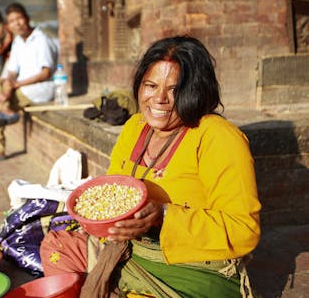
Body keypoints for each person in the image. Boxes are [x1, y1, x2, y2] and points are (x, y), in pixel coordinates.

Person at [39, 36, 261, 298]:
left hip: (188, 264)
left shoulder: (218, 137)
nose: (159, 99)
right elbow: (113, 190)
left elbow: (243, 230)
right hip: (127, 247)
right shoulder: (134, 128)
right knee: (57, 246)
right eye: (151, 85)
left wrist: (163, 215)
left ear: (196, 91)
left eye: (174, 90)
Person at [0, 2, 58, 163]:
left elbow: (45, 73)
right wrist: (8, 86)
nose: (17, 24)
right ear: (9, 25)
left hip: (38, 89)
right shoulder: (18, 42)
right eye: (12, 21)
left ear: (27, 18)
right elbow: (12, 71)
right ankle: (6, 110)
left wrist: (15, 85)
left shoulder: (41, 39)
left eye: (19, 19)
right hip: (20, 87)